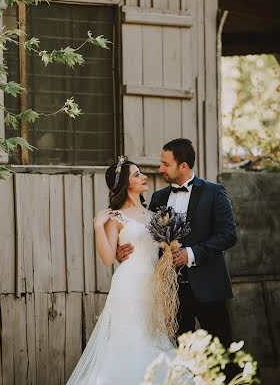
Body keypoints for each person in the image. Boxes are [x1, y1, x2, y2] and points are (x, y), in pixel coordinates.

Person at [117, 138, 237, 349]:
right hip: (171, 292)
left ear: (183, 166)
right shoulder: (158, 197)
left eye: (166, 164)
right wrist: (126, 251)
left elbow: (228, 235)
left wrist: (190, 253)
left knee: (221, 350)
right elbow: (150, 238)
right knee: (179, 352)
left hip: (209, 286)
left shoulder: (214, 192)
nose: (160, 168)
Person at [66, 157, 173, 385]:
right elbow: (106, 258)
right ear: (126, 184)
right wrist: (97, 225)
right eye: (136, 175)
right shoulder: (114, 218)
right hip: (129, 288)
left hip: (154, 287)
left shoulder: (155, 215)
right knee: (129, 341)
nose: (144, 177)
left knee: (154, 339)